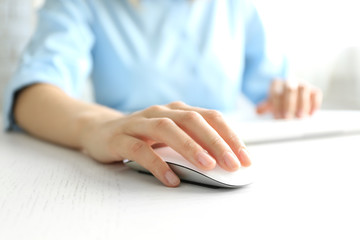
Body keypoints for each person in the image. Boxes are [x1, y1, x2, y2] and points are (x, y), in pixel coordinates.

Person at [3, 0, 322, 187]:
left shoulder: (233, 6)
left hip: (229, 165)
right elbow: (31, 96)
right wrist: (98, 127)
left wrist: (288, 92)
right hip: (129, 171)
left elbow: (269, 87)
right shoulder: (80, 5)